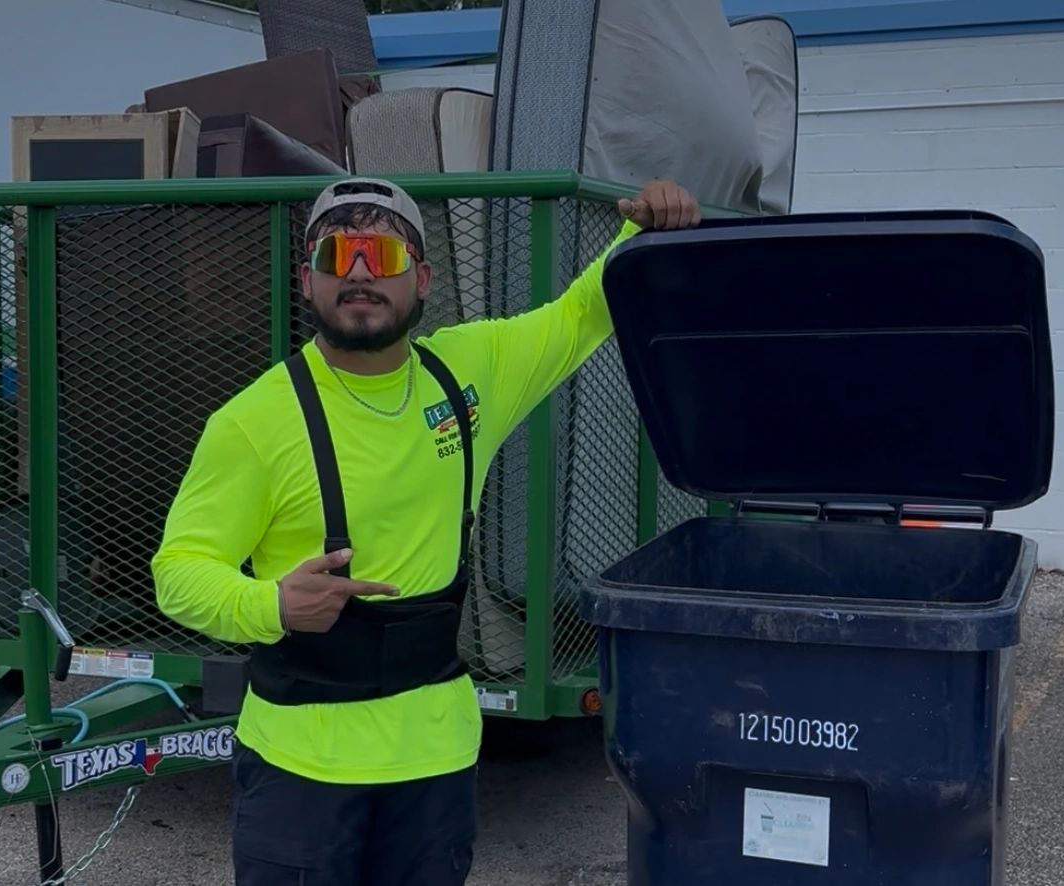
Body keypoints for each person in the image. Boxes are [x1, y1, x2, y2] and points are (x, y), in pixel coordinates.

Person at [150, 175, 702, 885]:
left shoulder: (467, 375)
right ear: (305, 282)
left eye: (379, 254)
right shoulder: (251, 424)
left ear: (422, 278)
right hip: (298, 764)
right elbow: (181, 569)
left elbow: (578, 317)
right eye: (334, 256)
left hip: (433, 760)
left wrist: (645, 230)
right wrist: (271, 606)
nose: (356, 274)